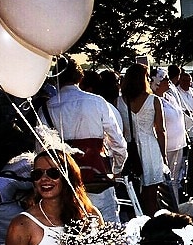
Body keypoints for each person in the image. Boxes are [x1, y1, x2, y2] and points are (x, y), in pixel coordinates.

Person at [38, 57, 127, 224]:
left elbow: (41, 153)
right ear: (80, 78)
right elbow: (119, 144)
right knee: (107, 232)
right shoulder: (97, 102)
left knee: (70, 234)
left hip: (65, 186)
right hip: (97, 179)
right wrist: (116, 169)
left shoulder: (46, 108)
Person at [5, 150, 100, 245]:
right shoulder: (21, 225)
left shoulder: (90, 216)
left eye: (53, 173)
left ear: (67, 177)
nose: (44, 179)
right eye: (37, 174)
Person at [118, 63, 167, 216]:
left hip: (129, 149)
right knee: (151, 196)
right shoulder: (154, 100)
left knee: (133, 195)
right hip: (150, 149)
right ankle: (152, 228)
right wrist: (163, 155)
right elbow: (161, 131)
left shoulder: (119, 101)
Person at [150, 68, 187, 206]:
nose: (169, 82)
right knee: (168, 181)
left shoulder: (169, 97)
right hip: (167, 146)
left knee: (176, 179)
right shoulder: (154, 100)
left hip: (178, 143)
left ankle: (176, 206)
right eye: (165, 79)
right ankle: (171, 208)